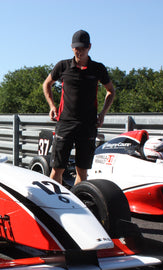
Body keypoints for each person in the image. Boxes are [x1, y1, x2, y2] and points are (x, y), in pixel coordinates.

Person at [43, 30, 115, 185]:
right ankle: (54, 204)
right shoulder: (63, 66)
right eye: (76, 48)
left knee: (82, 170)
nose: (79, 51)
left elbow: (111, 91)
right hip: (65, 123)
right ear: (71, 47)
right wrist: (52, 106)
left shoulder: (98, 69)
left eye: (82, 48)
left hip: (88, 125)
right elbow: (46, 84)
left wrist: (102, 114)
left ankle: (78, 202)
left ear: (89, 47)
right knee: (57, 168)